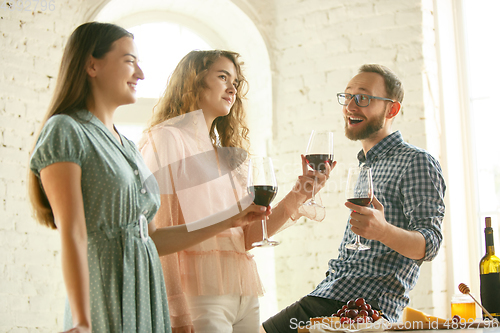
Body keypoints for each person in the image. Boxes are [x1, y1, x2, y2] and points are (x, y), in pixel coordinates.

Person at [28, 22, 268, 333]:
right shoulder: (66, 130)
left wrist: (230, 219)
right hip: (105, 289)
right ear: (92, 65)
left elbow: (154, 237)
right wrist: (81, 320)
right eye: (129, 61)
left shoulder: (126, 145)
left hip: (147, 290)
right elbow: (73, 234)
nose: (140, 74)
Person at [139, 50, 335, 333]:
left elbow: (249, 235)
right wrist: (175, 311)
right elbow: (157, 236)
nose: (233, 88)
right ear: (192, 82)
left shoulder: (226, 156)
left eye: (236, 82)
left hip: (244, 293)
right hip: (198, 297)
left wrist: (302, 192)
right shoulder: (167, 139)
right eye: (222, 77)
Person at [261, 64, 446, 333]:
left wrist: (384, 231)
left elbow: (430, 244)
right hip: (331, 297)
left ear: (392, 109)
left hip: (365, 308)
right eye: (347, 97)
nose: (350, 106)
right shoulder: (365, 167)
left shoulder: (417, 162)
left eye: (362, 98)